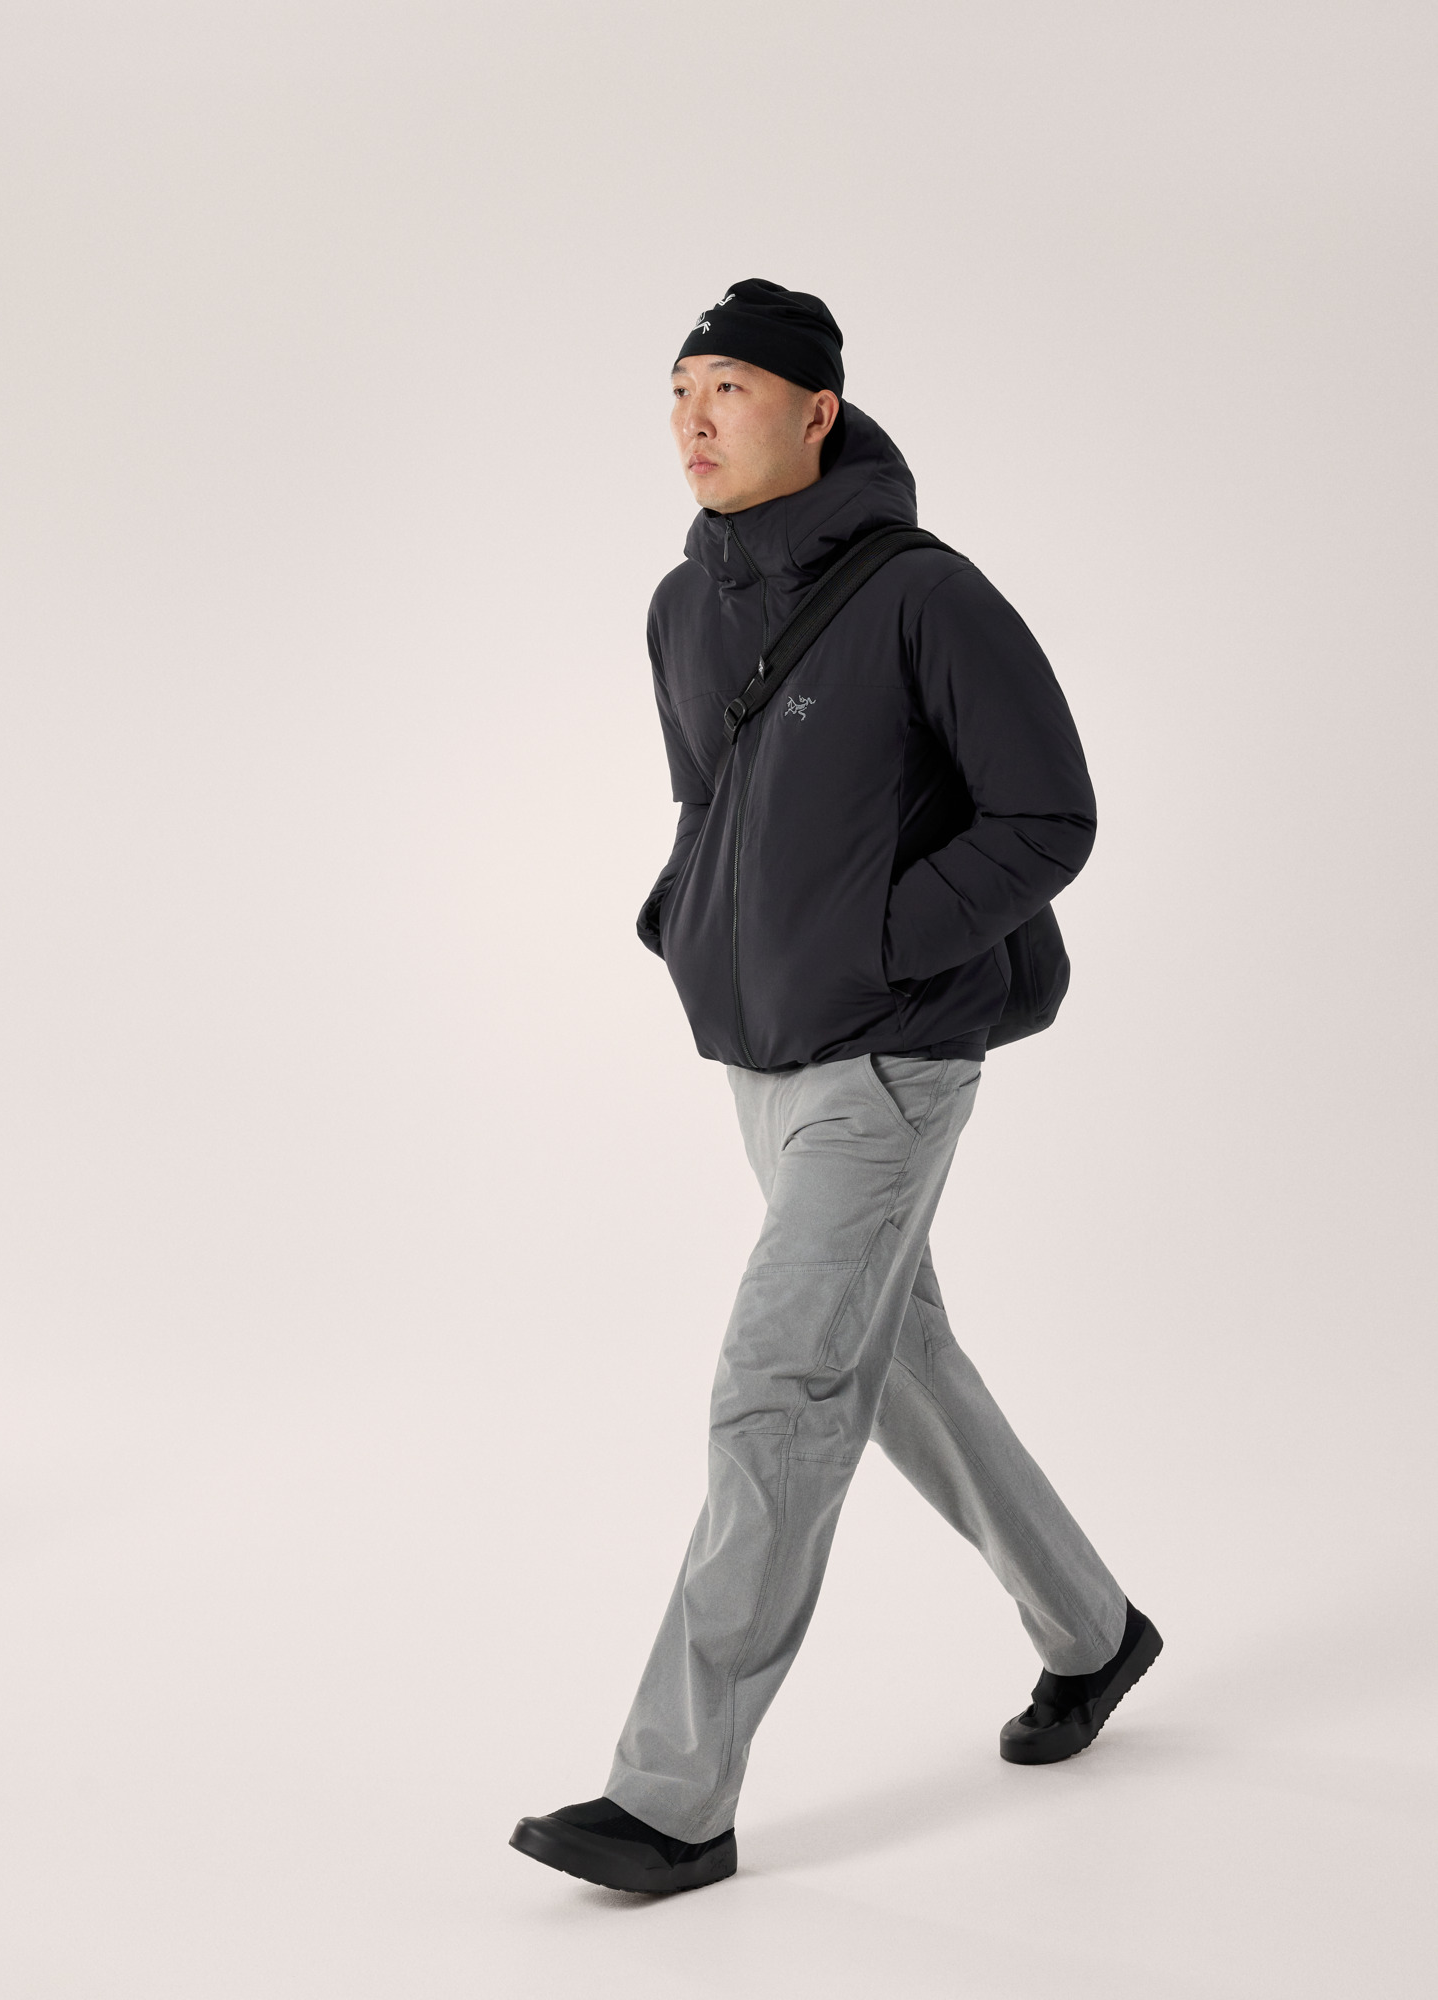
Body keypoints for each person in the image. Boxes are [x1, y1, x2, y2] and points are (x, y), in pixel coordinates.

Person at [511, 279, 1161, 1897]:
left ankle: (673, 1799)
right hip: (759, 1054)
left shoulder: (926, 595)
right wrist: (692, 927)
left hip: (893, 1056)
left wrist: (878, 946)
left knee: (781, 1386)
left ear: (817, 410)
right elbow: (705, 805)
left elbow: (1048, 818)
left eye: (728, 388)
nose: (693, 419)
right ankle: (1095, 1630)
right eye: (677, 391)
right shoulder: (681, 606)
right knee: (901, 1363)